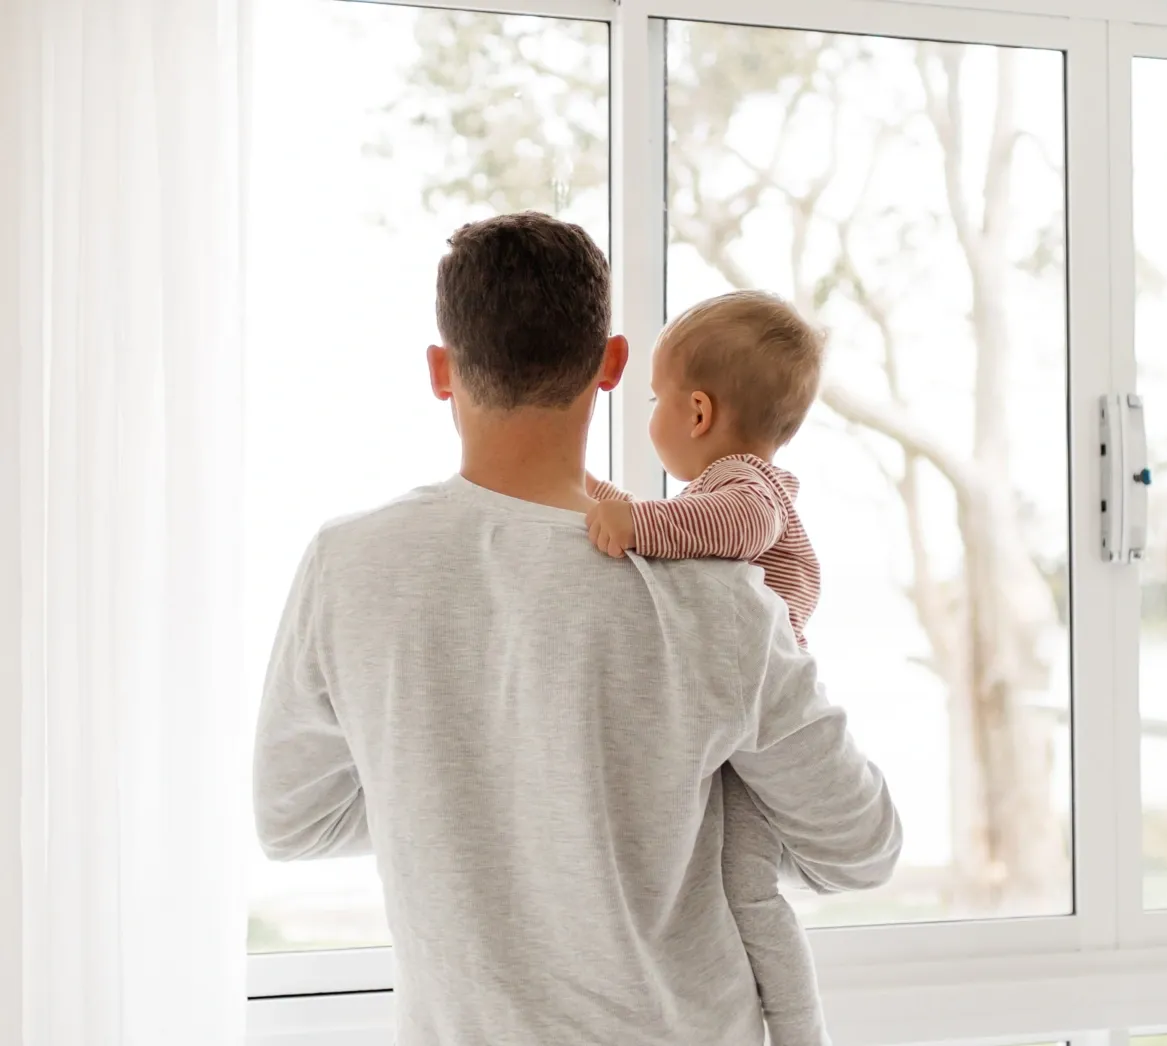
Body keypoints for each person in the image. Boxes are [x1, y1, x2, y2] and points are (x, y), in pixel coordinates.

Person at [252, 211, 902, 1046]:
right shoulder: (719, 596)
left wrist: (468, 803)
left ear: (441, 372)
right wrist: (646, 820)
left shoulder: (346, 566)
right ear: (612, 365)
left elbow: (293, 821)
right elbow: (862, 847)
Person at [584, 290, 832, 1046]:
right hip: (733, 726)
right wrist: (589, 493)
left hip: (760, 726)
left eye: (655, 398)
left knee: (750, 893)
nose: (650, 413)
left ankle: (799, 1032)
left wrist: (633, 521)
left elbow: (727, 528)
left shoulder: (745, 490)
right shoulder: (723, 490)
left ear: (696, 414)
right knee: (725, 883)